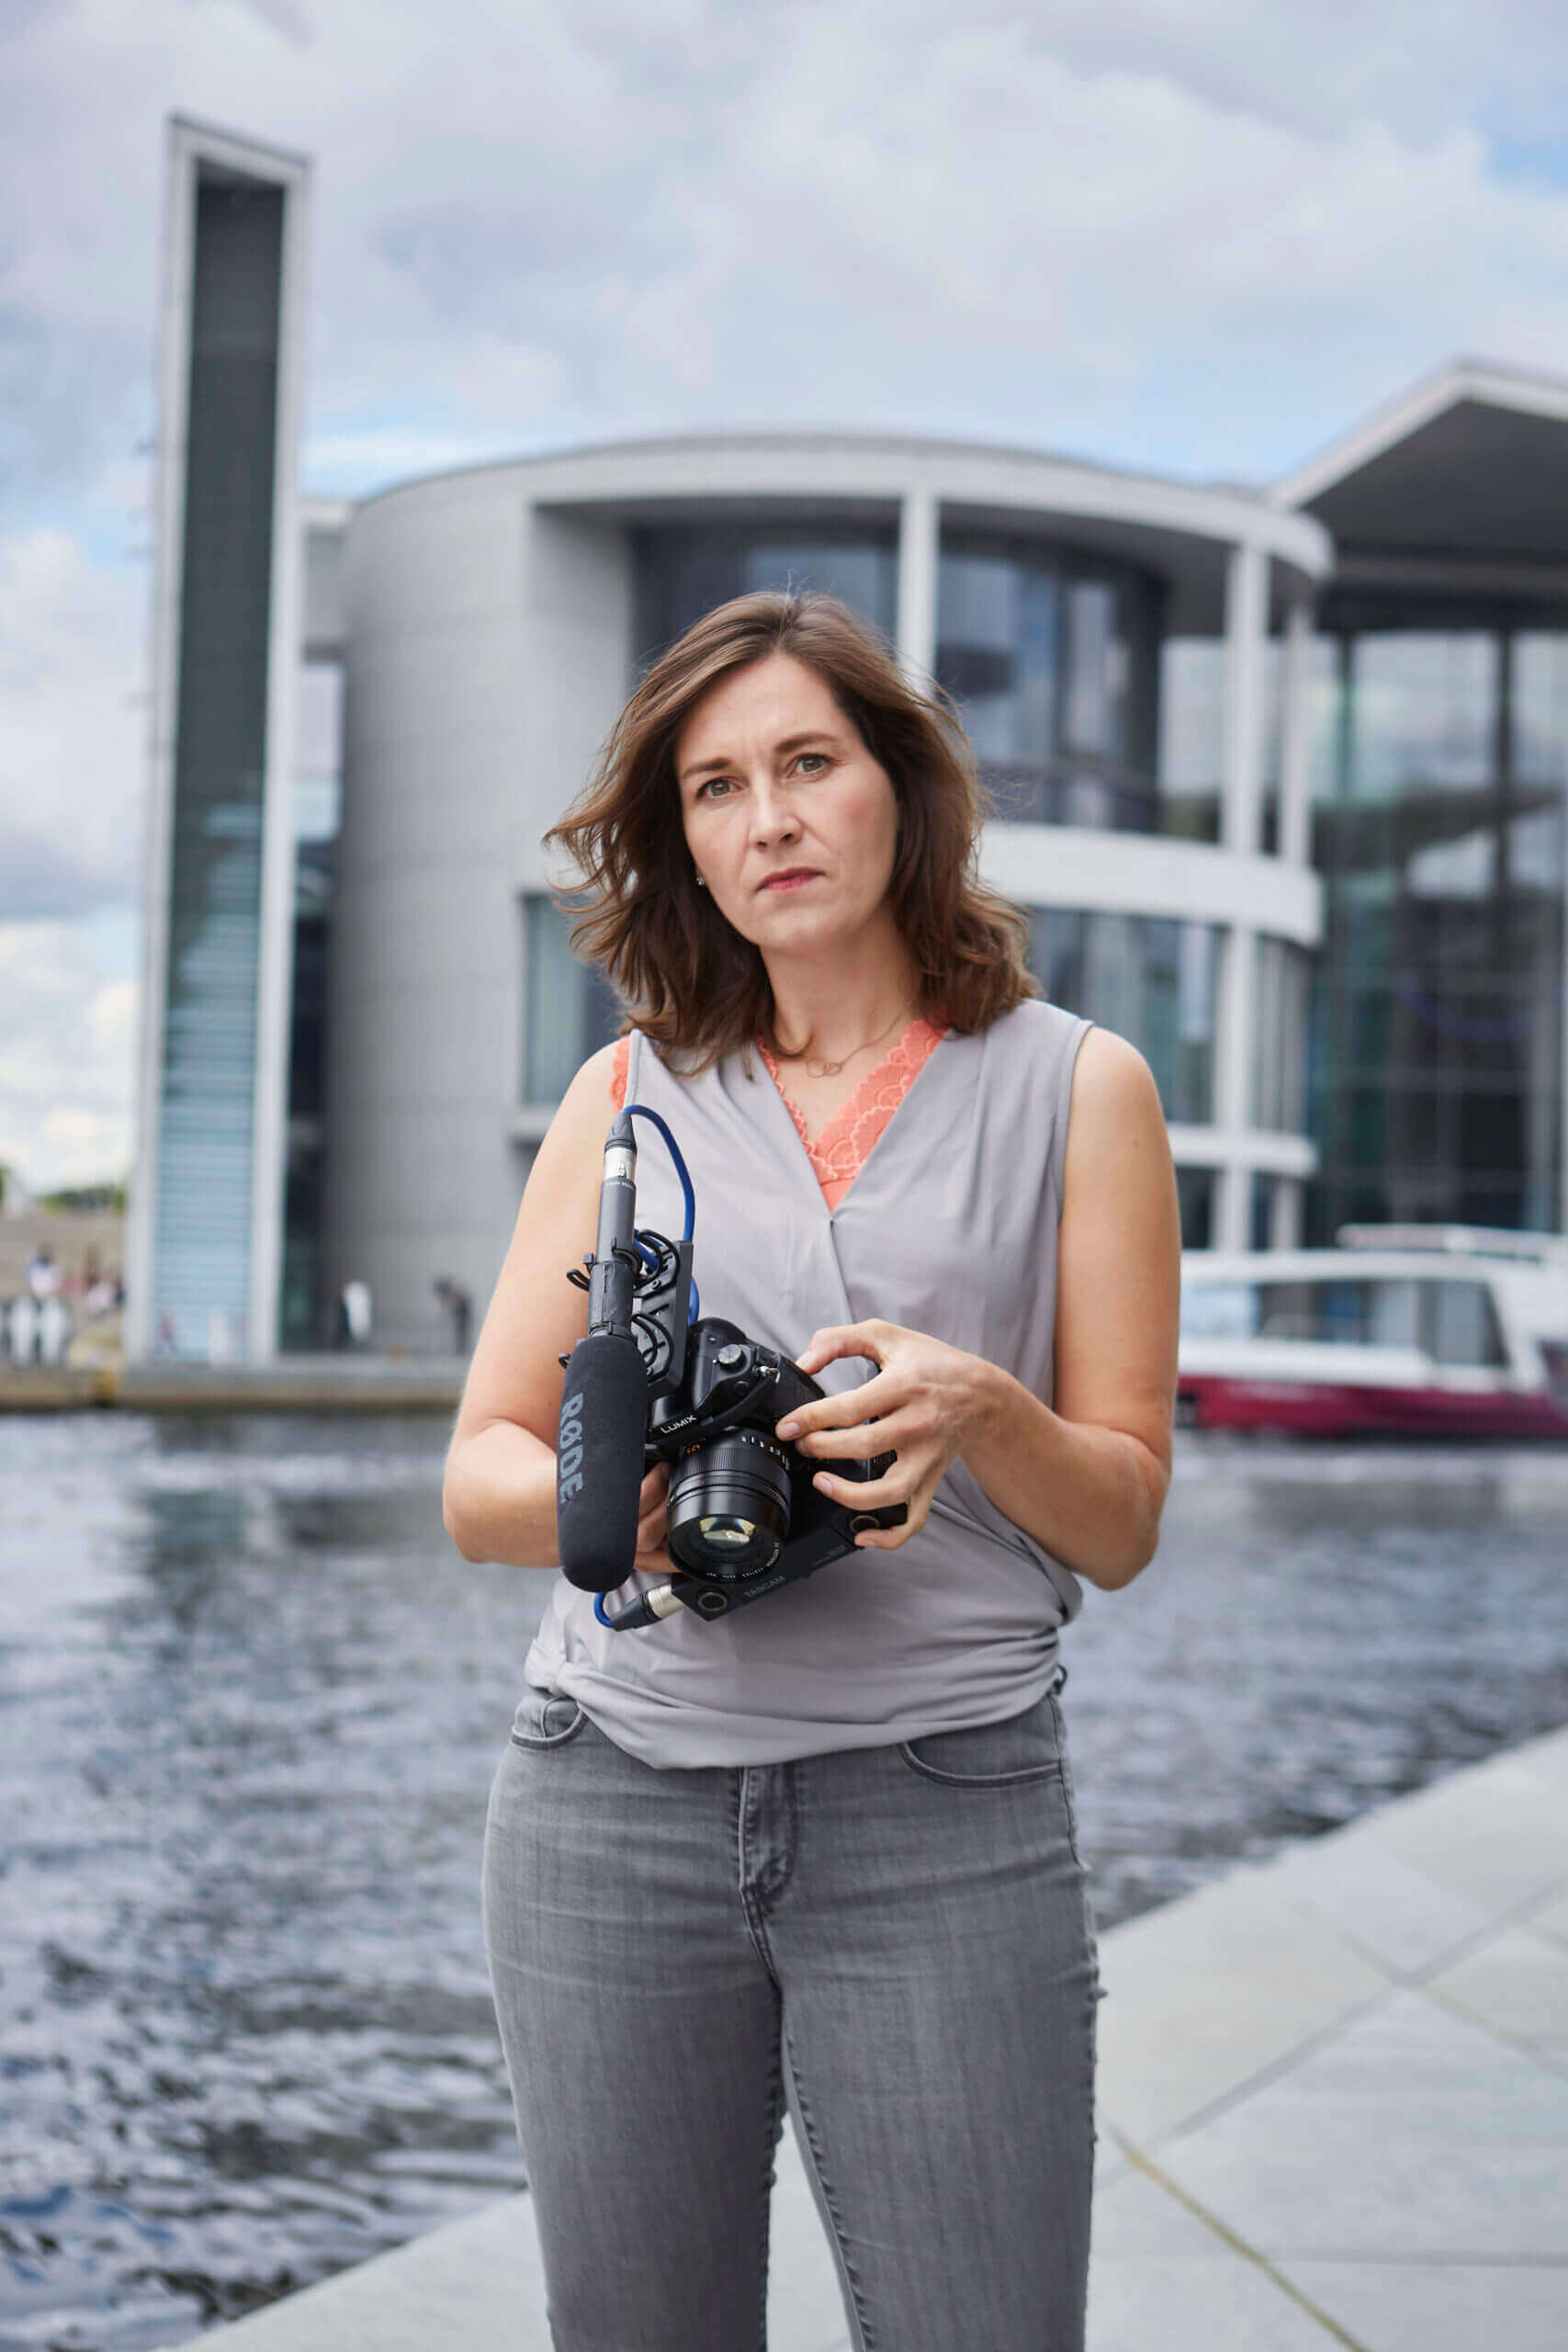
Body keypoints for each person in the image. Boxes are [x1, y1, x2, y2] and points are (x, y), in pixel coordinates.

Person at [443, 591, 1179, 2352]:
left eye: (806, 764)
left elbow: (1129, 1515)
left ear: (899, 790)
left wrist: (983, 1413)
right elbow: (479, 1469)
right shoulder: (622, 1096)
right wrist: (601, 1503)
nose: (764, 820)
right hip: (607, 1800)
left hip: (943, 1811)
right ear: (680, 843)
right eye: (713, 788)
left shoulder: (1082, 1089)